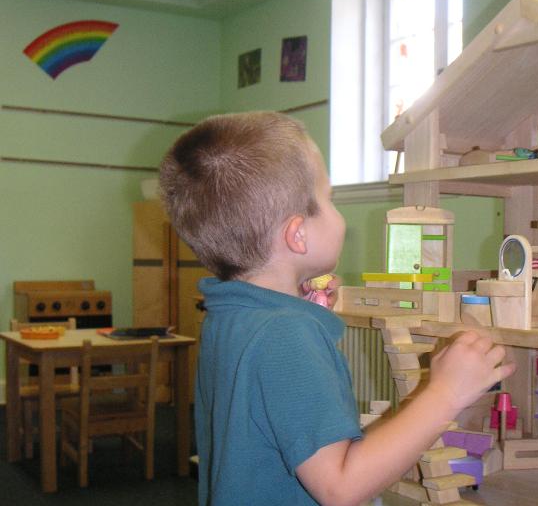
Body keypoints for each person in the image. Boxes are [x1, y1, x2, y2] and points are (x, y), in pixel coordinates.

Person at [159, 111, 515, 506]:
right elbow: (340, 486)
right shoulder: (284, 333)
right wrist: (445, 392)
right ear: (297, 234)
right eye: (329, 199)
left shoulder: (232, 315)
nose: (336, 212)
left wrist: (300, 307)